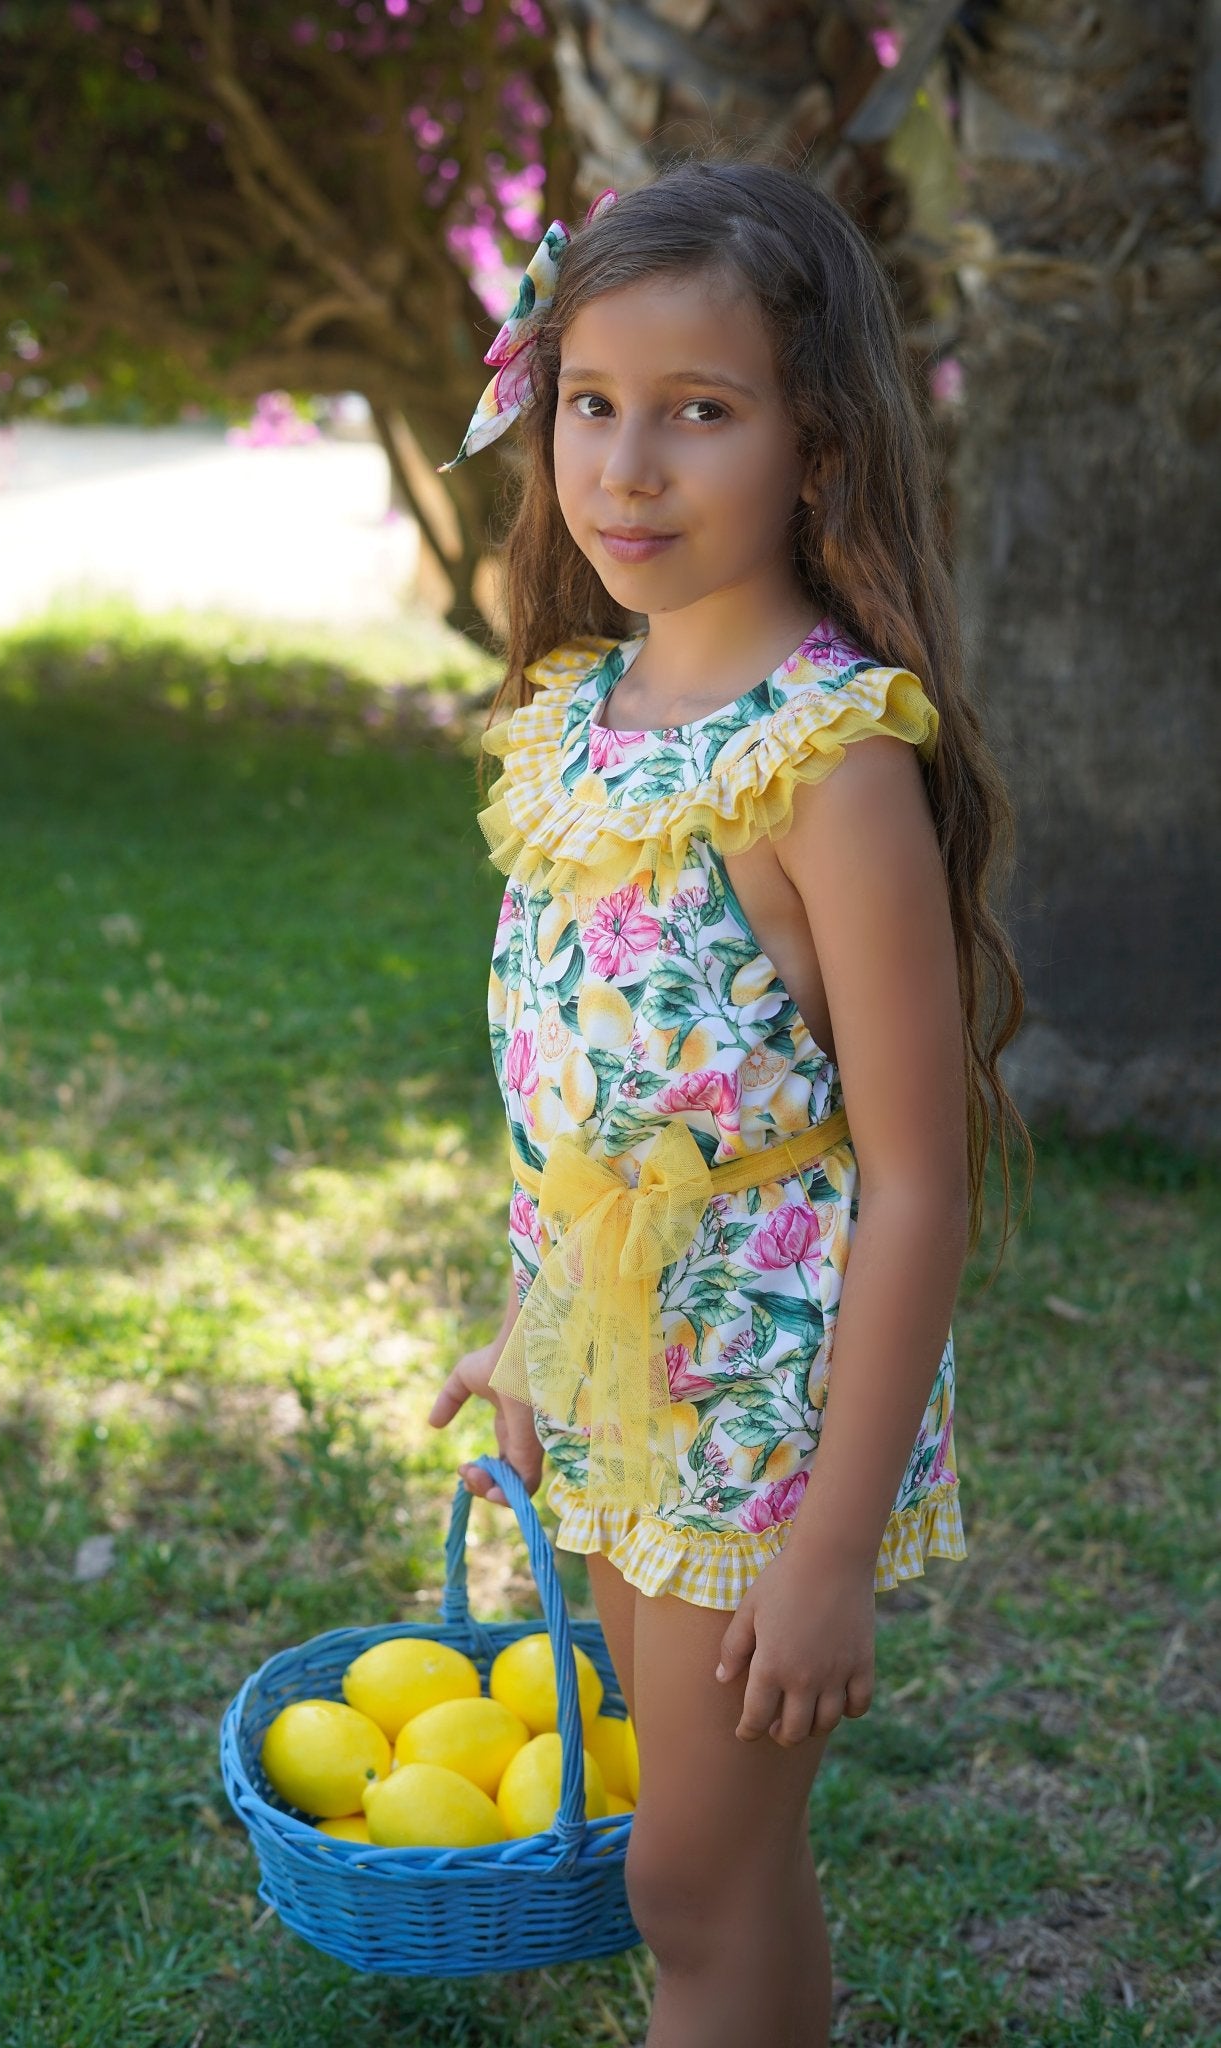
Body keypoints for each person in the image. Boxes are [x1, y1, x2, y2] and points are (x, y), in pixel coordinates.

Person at [428, 159, 1028, 2048]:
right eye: (592, 403)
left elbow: (918, 1182)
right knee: (716, 1857)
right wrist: (535, 1337)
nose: (625, 467)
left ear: (817, 445)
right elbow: (589, 1125)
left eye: (699, 412)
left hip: (768, 1428)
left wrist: (834, 1544)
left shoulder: (825, 765)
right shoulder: (579, 724)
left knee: (681, 1875)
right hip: (627, 1379)